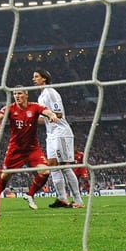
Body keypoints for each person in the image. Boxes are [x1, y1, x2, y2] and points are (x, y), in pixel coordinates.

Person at [0, 87, 60, 210]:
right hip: (15, 150)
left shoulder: (35, 107)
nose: (17, 96)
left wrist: (52, 115)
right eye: (15, 94)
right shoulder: (10, 108)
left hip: (33, 149)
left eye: (19, 93)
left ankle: (30, 194)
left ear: (26, 95)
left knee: (45, 172)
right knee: (4, 177)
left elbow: (47, 111)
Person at [33, 69, 84, 208]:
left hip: (61, 132)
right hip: (51, 135)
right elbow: (46, 119)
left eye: (36, 77)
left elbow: (59, 114)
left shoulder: (51, 92)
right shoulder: (41, 96)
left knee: (64, 167)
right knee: (53, 166)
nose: (34, 79)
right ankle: (62, 198)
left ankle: (78, 200)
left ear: (44, 79)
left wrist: (40, 117)